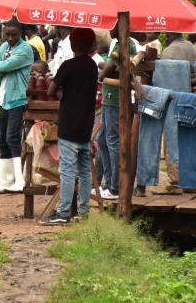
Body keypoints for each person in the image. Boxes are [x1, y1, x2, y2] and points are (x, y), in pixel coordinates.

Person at [42, 28, 100, 224]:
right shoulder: (92, 66)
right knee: (84, 171)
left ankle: (64, 212)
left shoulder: (68, 65)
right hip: (86, 125)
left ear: (72, 45)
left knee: (67, 170)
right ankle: (84, 213)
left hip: (68, 124)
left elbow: (51, 90)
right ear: (92, 46)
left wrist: (60, 91)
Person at [0, 20, 34, 194]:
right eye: (7, 34)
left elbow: (2, 66)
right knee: (3, 140)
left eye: (14, 34)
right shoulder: (5, 46)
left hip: (17, 99)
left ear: (21, 32)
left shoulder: (25, 49)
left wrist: (1, 67)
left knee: (13, 138)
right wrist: (2, 67)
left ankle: (19, 180)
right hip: (3, 99)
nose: (10, 38)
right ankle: (6, 181)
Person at [96, 24, 141, 199]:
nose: (111, 28)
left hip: (115, 97)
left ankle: (115, 186)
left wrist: (103, 66)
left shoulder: (125, 44)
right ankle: (109, 182)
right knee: (103, 138)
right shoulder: (116, 44)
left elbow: (103, 75)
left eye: (115, 24)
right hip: (109, 97)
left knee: (113, 140)